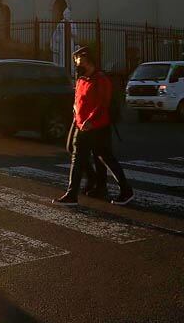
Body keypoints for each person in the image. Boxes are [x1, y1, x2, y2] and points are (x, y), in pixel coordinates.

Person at [54, 46, 134, 206]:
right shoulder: (81, 80)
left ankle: (75, 194)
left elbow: (102, 103)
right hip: (79, 124)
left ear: (89, 62)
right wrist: (76, 113)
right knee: (78, 153)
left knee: (102, 157)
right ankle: (85, 188)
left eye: (79, 62)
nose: (77, 66)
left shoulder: (101, 79)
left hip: (97, 126)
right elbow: (77, 99)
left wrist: (90, 120)